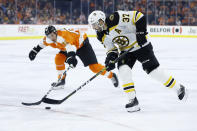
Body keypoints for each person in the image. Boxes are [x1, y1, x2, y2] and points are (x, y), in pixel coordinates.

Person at [88, 10, 188, 112]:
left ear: (102, 20)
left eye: (96, 24)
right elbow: (111, 48)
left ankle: (178, 88)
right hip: (126, 51)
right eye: (93, 25)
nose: (95, 27)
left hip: (140, 45)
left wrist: (141, 32)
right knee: (123, 70)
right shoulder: (100, 35)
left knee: (153, 72)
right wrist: (110, 59)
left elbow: (138, 16)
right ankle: (132, 100)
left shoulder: (116, 18)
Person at [28, 25, 119, 90]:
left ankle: (111, 75)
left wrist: (71, 57)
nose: (52, 38)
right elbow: (40, 45)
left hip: (81, 44)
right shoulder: (48, 39)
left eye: (52, 35)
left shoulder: (63, 36)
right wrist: (34, 51)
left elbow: (71, 47)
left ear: (56, 32)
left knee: (94, 67)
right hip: (68, 47)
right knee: (58, 58)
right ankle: (61, 80)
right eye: (49, 36)